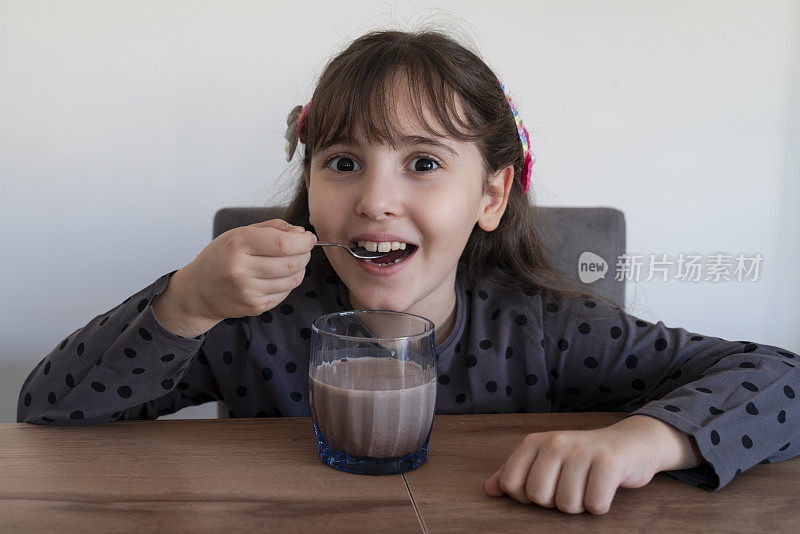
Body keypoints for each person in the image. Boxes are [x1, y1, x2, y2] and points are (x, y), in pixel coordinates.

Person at [17, 29, 798, 515]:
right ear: (311, 186)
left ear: (491, 195)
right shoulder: (252, 323)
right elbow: (47, 415)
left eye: (422, 163)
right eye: (345, 162)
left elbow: (781, 381)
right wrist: (184, 302)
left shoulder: (548, 332)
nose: (376, 201)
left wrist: (643, 441)